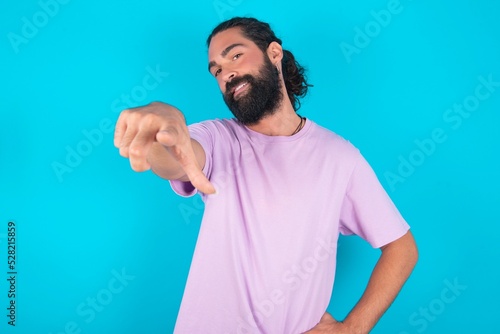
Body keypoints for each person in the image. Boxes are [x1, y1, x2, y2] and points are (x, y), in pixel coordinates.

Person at [114, 17, 418, 334]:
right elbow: (178, 157)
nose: (226, 73)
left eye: (235, 55)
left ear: (274, 53)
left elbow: (402, 247)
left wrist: (354, 327)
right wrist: (163, 126)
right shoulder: (217, 137)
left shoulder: (340, 157)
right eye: (216, 70)